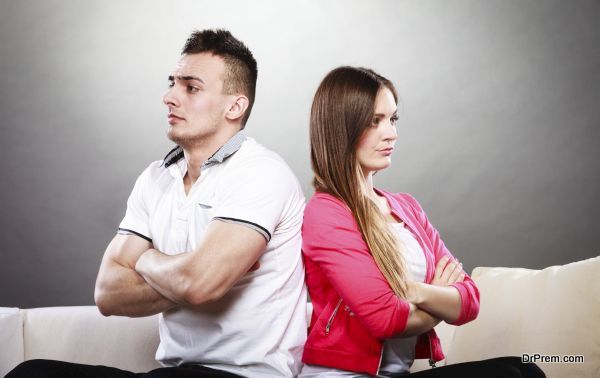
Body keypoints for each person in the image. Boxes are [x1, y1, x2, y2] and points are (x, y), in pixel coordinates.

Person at [7, 29, 307, 378]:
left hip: (246, 376)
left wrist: (146, 260)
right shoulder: (155, 178)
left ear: (235, 106)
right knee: (31, 374)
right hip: (175, 371)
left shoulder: (260, 172)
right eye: (172, 83)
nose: (169, 97)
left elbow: (199, 284)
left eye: (191, 88)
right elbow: (107, 293)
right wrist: (195, 276)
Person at [299, 66, 545, 378]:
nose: (391, 133)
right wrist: (439, 296)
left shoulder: (407, 207)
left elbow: (469, 301)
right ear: (342, 128)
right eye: (375, 121)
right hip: (342, 376)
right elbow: (385, 319)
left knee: (524, 369)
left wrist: (416, 292)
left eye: (392, 119)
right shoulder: (326, 212)